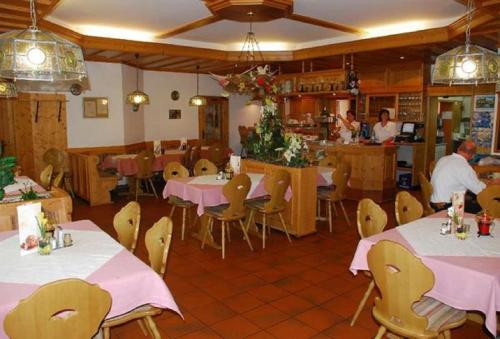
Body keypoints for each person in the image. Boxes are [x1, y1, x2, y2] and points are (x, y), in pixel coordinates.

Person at [430, 140, 486, 213]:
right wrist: (490, 184)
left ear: (458, 149)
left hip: (433, 202)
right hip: (448, 207)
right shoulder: (464, 167)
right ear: (473, 156)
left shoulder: (444, 158)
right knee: (485, 204)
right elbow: (480, 191)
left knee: (469, 197)